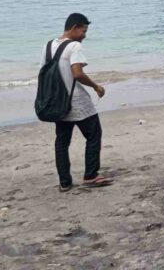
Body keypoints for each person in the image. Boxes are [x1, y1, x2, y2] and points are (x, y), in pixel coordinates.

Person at [41, 13, 111, 192]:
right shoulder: (74, 46)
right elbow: (77, 73)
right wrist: (96, 86)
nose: (85, 35)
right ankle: (91, 175)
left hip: (58, 102)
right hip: (77, 102)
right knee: (94, 134)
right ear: (74, 28)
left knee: (62, 142)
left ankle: (65, 182)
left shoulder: (48, 45)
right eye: (84, 30)